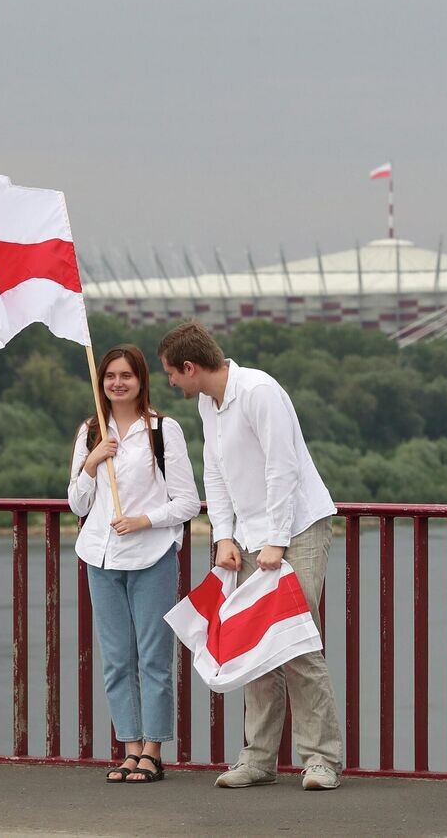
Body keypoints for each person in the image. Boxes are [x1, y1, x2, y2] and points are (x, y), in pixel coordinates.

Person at [157, 321, 342, 791]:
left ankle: (321, 760)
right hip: (251, 534)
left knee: (296, 642)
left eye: (171, 373)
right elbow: (215, 473)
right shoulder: (208, 402)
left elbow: (283, 468)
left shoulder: (259, 391)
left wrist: (276, 540)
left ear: (190, 367)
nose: (170, 382)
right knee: (255, 646)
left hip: (298, 527)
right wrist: (224, 537)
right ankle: (259, 759)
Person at [68, 344, 200, 784]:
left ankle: (153, 752)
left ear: (141, 380)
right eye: (110, 376)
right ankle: (128, 748)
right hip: (100, 556)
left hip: (151, 555)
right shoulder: (91, 430)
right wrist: (92, 462)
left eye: (126, 375)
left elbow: (187, 502)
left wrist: (144, 520)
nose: (117, 383)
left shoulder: (163, 430)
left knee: (154, 657)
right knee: (116, 659)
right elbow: (77, 503)